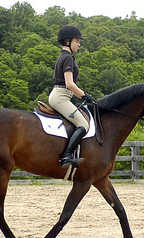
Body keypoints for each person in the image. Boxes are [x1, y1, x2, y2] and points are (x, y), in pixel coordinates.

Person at [49, 25, 95, 168]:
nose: (79, 44)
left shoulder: (63, 56)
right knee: (83, 125)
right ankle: (66, 156)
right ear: (68, 41)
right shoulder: (68, 58)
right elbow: (69, 84)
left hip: (61, 95)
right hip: (61, 96)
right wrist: (84, 95)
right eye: (77, 41)